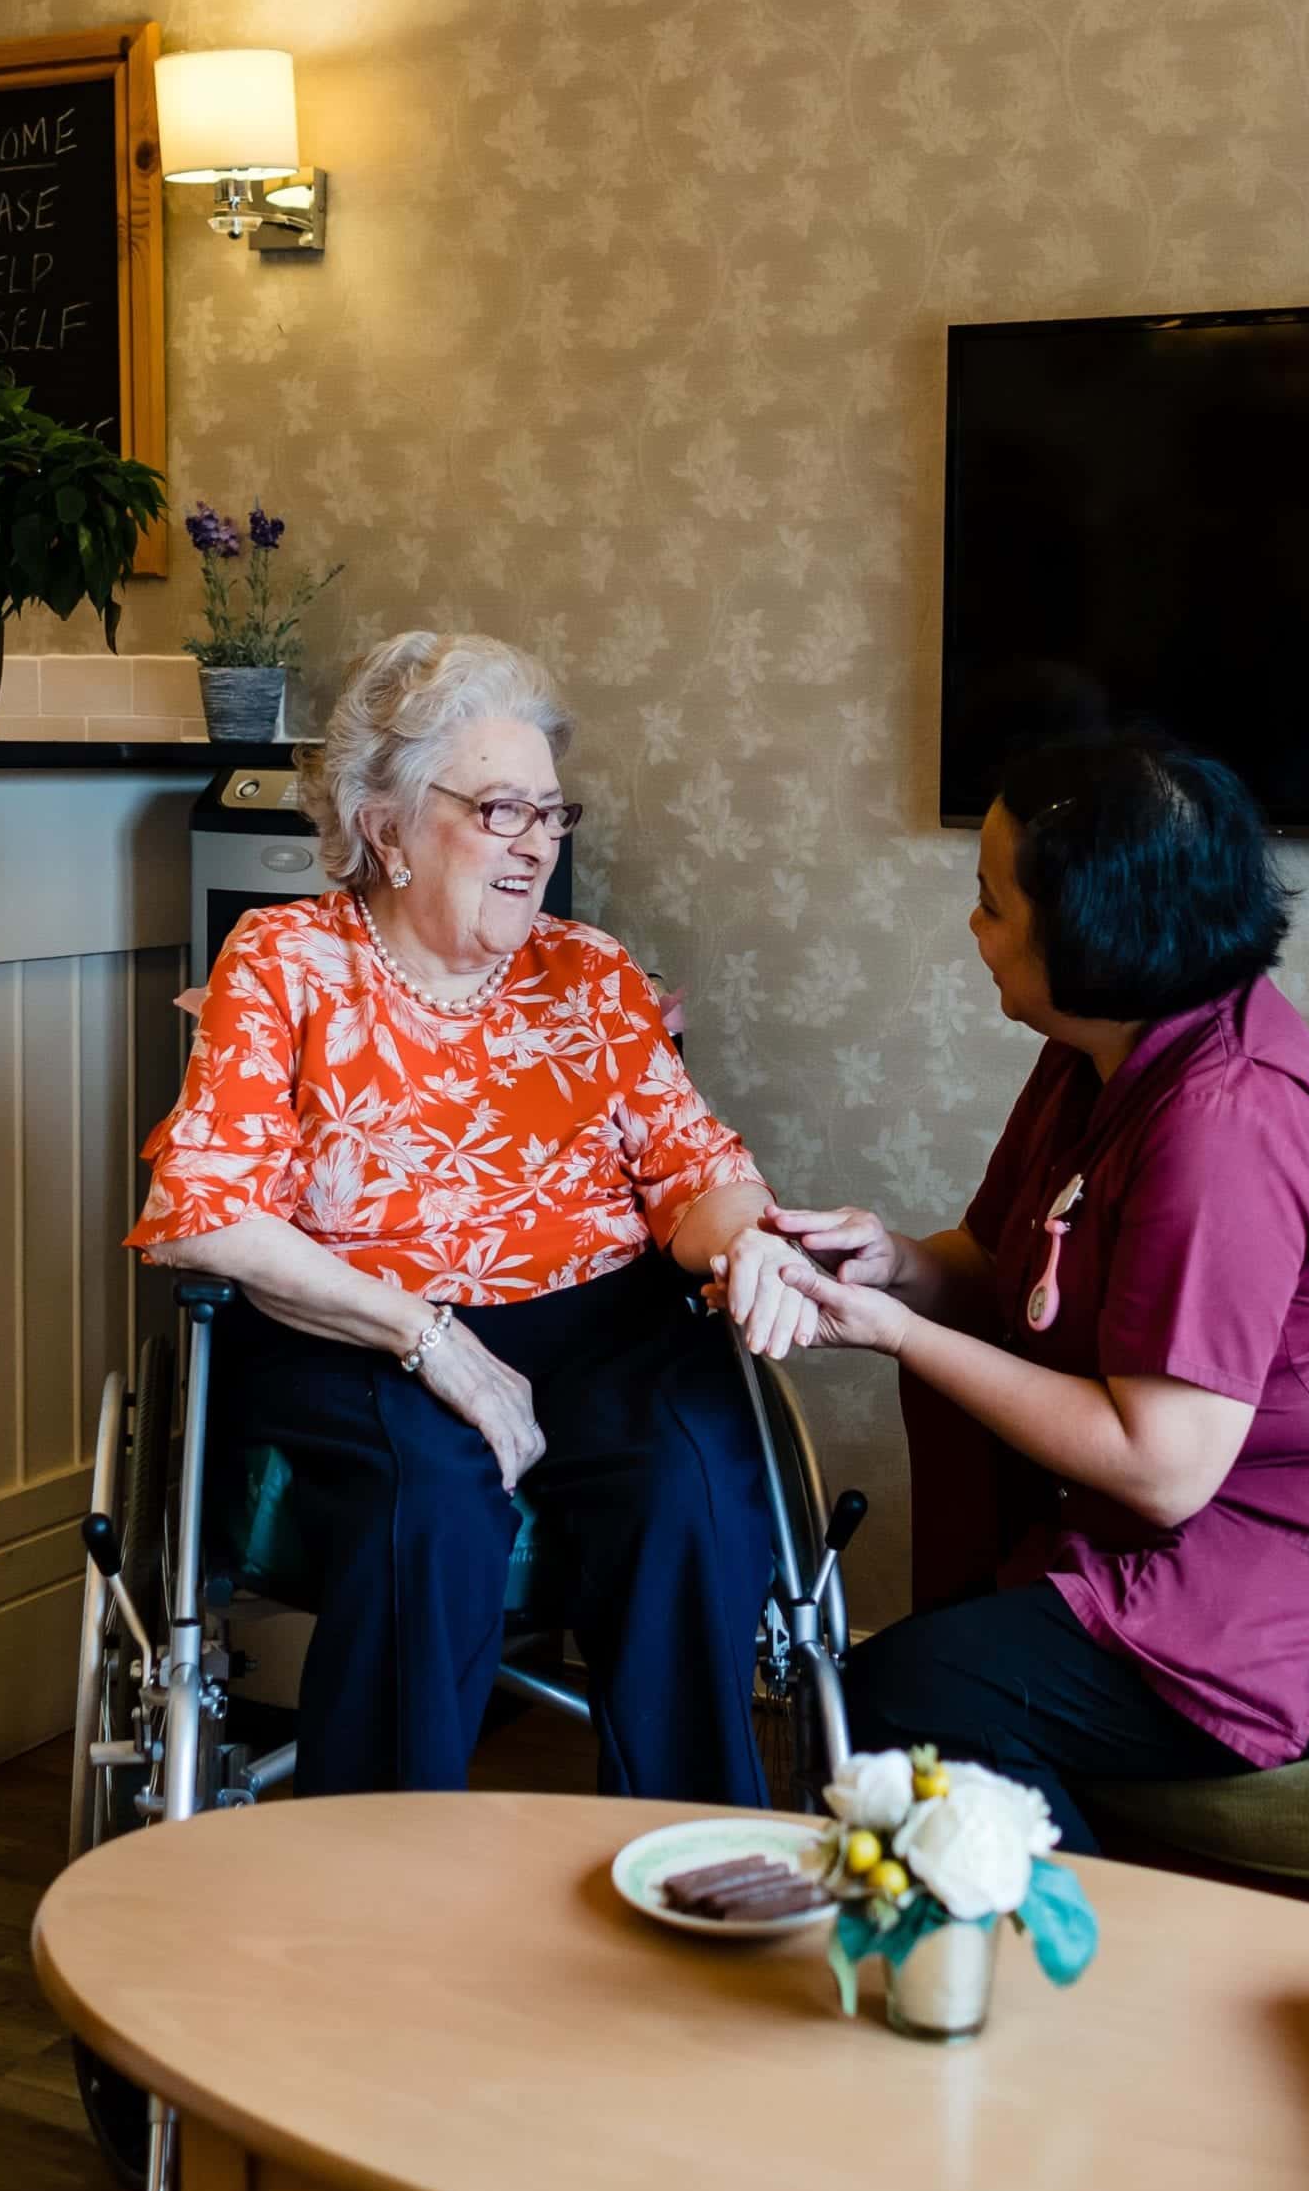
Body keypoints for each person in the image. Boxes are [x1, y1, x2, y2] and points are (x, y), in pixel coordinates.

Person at [751, 735, 1309, 1848]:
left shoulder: (1227, 1127)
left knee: (904, 1699)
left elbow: (1161, 1467)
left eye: (992, 905)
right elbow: (1002, 1264)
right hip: (1220, 1526)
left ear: (1090, 935)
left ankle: (1095, 1946)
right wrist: (895, 1264)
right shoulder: (1096, 1049)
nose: (971, 927)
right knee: (914, 1686)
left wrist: (897, 1334)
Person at [127, 631, 813, 1801]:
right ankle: (392, 1876)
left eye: (550, 812)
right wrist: (426, 1334)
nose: (537, 840)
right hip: (356, 1331)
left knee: (690, 1476)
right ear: (386, 826)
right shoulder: (285, 961)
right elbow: (203, 1210)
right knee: (430, 1500)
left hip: (601, 1323)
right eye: (501, 809)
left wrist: (746, 1238)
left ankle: (701, 1854)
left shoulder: (590, 972)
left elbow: (696, 1168)